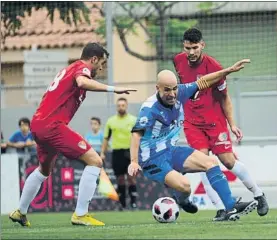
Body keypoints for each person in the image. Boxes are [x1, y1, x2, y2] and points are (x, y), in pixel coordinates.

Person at [9, 43, 136, 227]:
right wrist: (112, 89)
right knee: (95, 161)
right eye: (101, 63)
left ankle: (20, 211)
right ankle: (81, 214)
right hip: (52, 126)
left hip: (39, 124)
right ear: (93, 59)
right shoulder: (80, 68)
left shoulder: (70, 69)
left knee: (43, 170)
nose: (101, 68)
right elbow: (83, 82)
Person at [128, 60, 258, 221]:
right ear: (158, 89)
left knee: (211, 163)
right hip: (152, 159)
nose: (172, 94)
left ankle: (230, 206)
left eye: (174, 88)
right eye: (167, 90)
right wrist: (134, 161)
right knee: (185, 186)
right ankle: (182, 199)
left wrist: (228, 70)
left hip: (170, 150)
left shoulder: (181, 92)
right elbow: (136, 134)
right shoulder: (149, 109)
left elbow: (204, 81)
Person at [173, 28, 269, 221]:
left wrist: (232, 124)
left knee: (228, 162)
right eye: (187, 48)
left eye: (194, 48)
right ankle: (221, 209)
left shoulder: (214, 67)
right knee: (203, 163)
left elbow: (224, 98)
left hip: (215, 122)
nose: (190, 53)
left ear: (202, 45)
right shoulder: (178, 61)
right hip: (192, 123)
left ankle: (259, 195)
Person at [101, 98, 138, 210]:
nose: (121, 107)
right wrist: (102, 152)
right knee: (120, 179)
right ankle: (122, 205)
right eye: (119, 105)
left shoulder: (133, 120)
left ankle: (133, 203)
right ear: (116, 107)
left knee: (131, 178)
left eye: (123, 105)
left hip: (130, 152)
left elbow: (138, 137)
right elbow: (106, 138)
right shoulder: (111, 121)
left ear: (126, 106)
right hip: (117, 153)